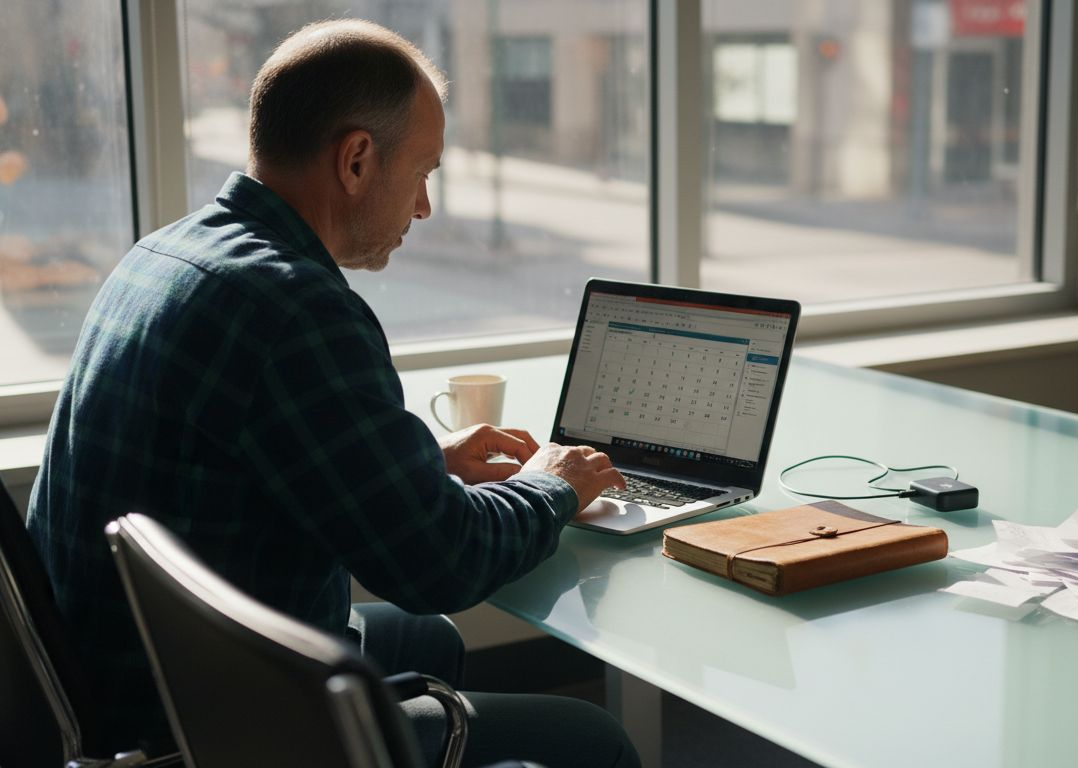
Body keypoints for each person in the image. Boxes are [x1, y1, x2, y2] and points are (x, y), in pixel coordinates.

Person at [26, 18, 637, 768]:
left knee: (433, 641)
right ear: (355, 160)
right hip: (204, 726)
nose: (423, 208)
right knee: (596, 741)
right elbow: (440, 565)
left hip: (119, 669)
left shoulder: (166, 253)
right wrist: (555, 485)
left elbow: (243, 450)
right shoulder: (298, 308)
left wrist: (425, 464)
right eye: (422, 173)